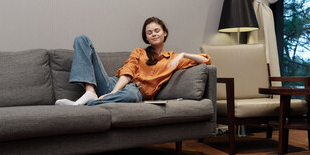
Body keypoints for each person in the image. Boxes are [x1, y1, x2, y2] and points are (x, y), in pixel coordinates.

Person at [55, 17, 211, 106]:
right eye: (149, 33)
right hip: (114, 84)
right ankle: (90, 92)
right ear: (146, 37)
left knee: (131, 96)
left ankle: (81, 105)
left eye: (157, 31)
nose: (153, 34)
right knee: (82, 39)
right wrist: (113, 92)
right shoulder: (139, 52)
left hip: (136, 92)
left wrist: (184, 54)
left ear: (165, 33)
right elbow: (127, 73)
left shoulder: (174, 59)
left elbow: (206, 60)